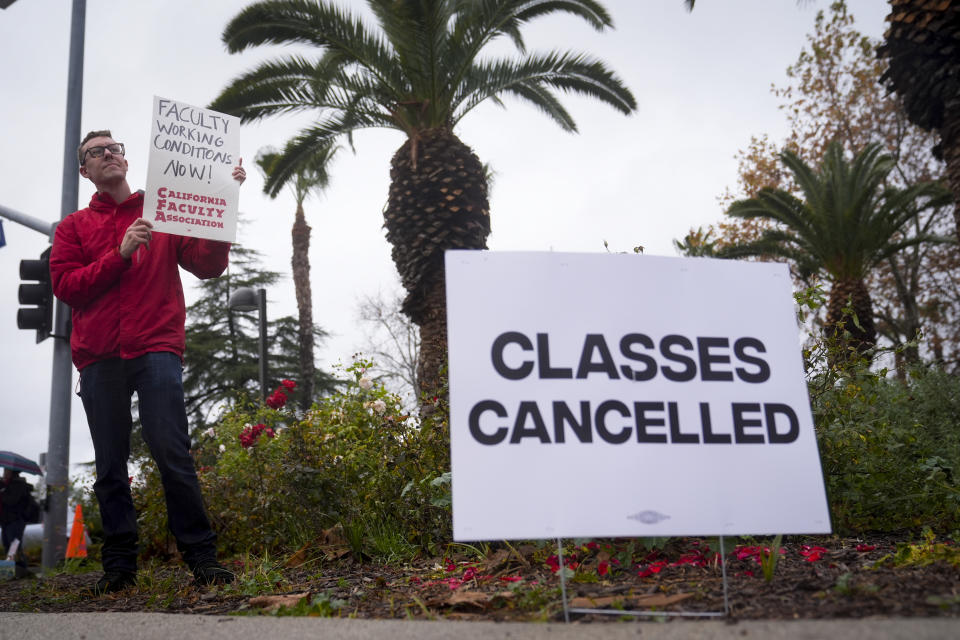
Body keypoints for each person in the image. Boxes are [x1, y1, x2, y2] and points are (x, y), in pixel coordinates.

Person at [50, 130, 247, 594]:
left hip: (156, 348)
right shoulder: (72, 228)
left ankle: (203, 559)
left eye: (115, 148)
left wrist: (223, 207)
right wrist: (118, 256)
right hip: (99, 357)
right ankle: (119, 569)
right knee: (111, 466)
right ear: (85, 171)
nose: (109, 155)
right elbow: (67, 287)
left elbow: (207, 264)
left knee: (172, 452)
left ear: (125, 158)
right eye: (96, 152)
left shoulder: (163, 209)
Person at [1, 469, 34, 579]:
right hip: (6, 521)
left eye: (6, 470)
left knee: (13, 546)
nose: (4, 473)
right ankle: (14, 573)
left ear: (12, 472)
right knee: (8, 545)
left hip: (16, 520)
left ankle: (14, 573)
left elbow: (11, 501)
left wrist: (2, 491)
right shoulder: (6, 485)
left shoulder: (18, 485)